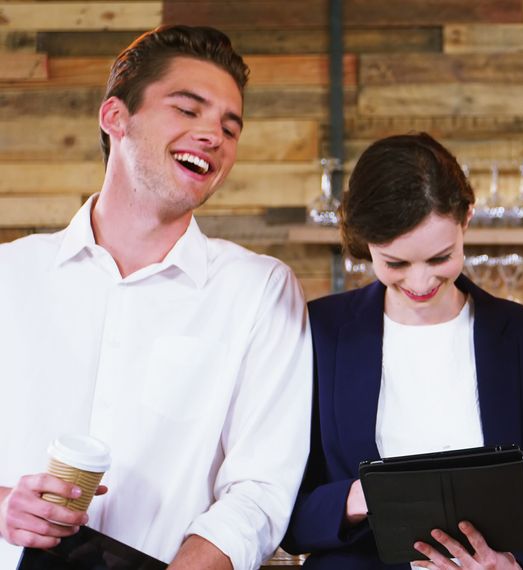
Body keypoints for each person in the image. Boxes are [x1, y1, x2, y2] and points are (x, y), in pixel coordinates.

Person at [0, 25, 312, 570]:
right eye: (188, 110)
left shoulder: (259, 291)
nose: (213, 135)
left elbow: (260, 490)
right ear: (115, 117)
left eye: (229, 127)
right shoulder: (10, 274)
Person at [281, 133, 523, 570]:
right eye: (396, 264)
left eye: (440, 258)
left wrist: (512, 564)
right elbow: (284, 513)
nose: (421, 282)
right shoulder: (320, 333)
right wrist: (357, 498)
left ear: (466, 218)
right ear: (364, 242)